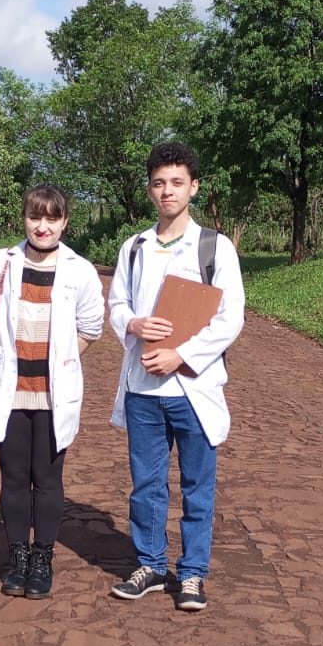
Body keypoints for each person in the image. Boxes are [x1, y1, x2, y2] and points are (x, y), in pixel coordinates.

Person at [106, 143, 245, 611]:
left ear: (194, 187)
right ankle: (149, 564)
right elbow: (116, 305)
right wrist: (134, 324)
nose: (168, 191)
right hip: (144, 389)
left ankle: (191, 574)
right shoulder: (134, 247)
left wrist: (180, 355)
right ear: (150, 189)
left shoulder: (213, 247)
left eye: (177, 182)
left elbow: (230, 318)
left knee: (196, 485)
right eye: (159, 183)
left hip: (192, 387)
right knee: (146, 484)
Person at [0, 184, 105, 599]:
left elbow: (91, 327)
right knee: (12, 477)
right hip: (8, 389)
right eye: (35, 217)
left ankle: (42, 558)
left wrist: (60, 360)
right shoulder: (1, 263)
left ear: (64, 222)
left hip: (51, 393)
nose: (42, 226)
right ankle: (17, 558)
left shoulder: (79, 270)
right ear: (24, 218)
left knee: (46, 478)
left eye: (52, 218)